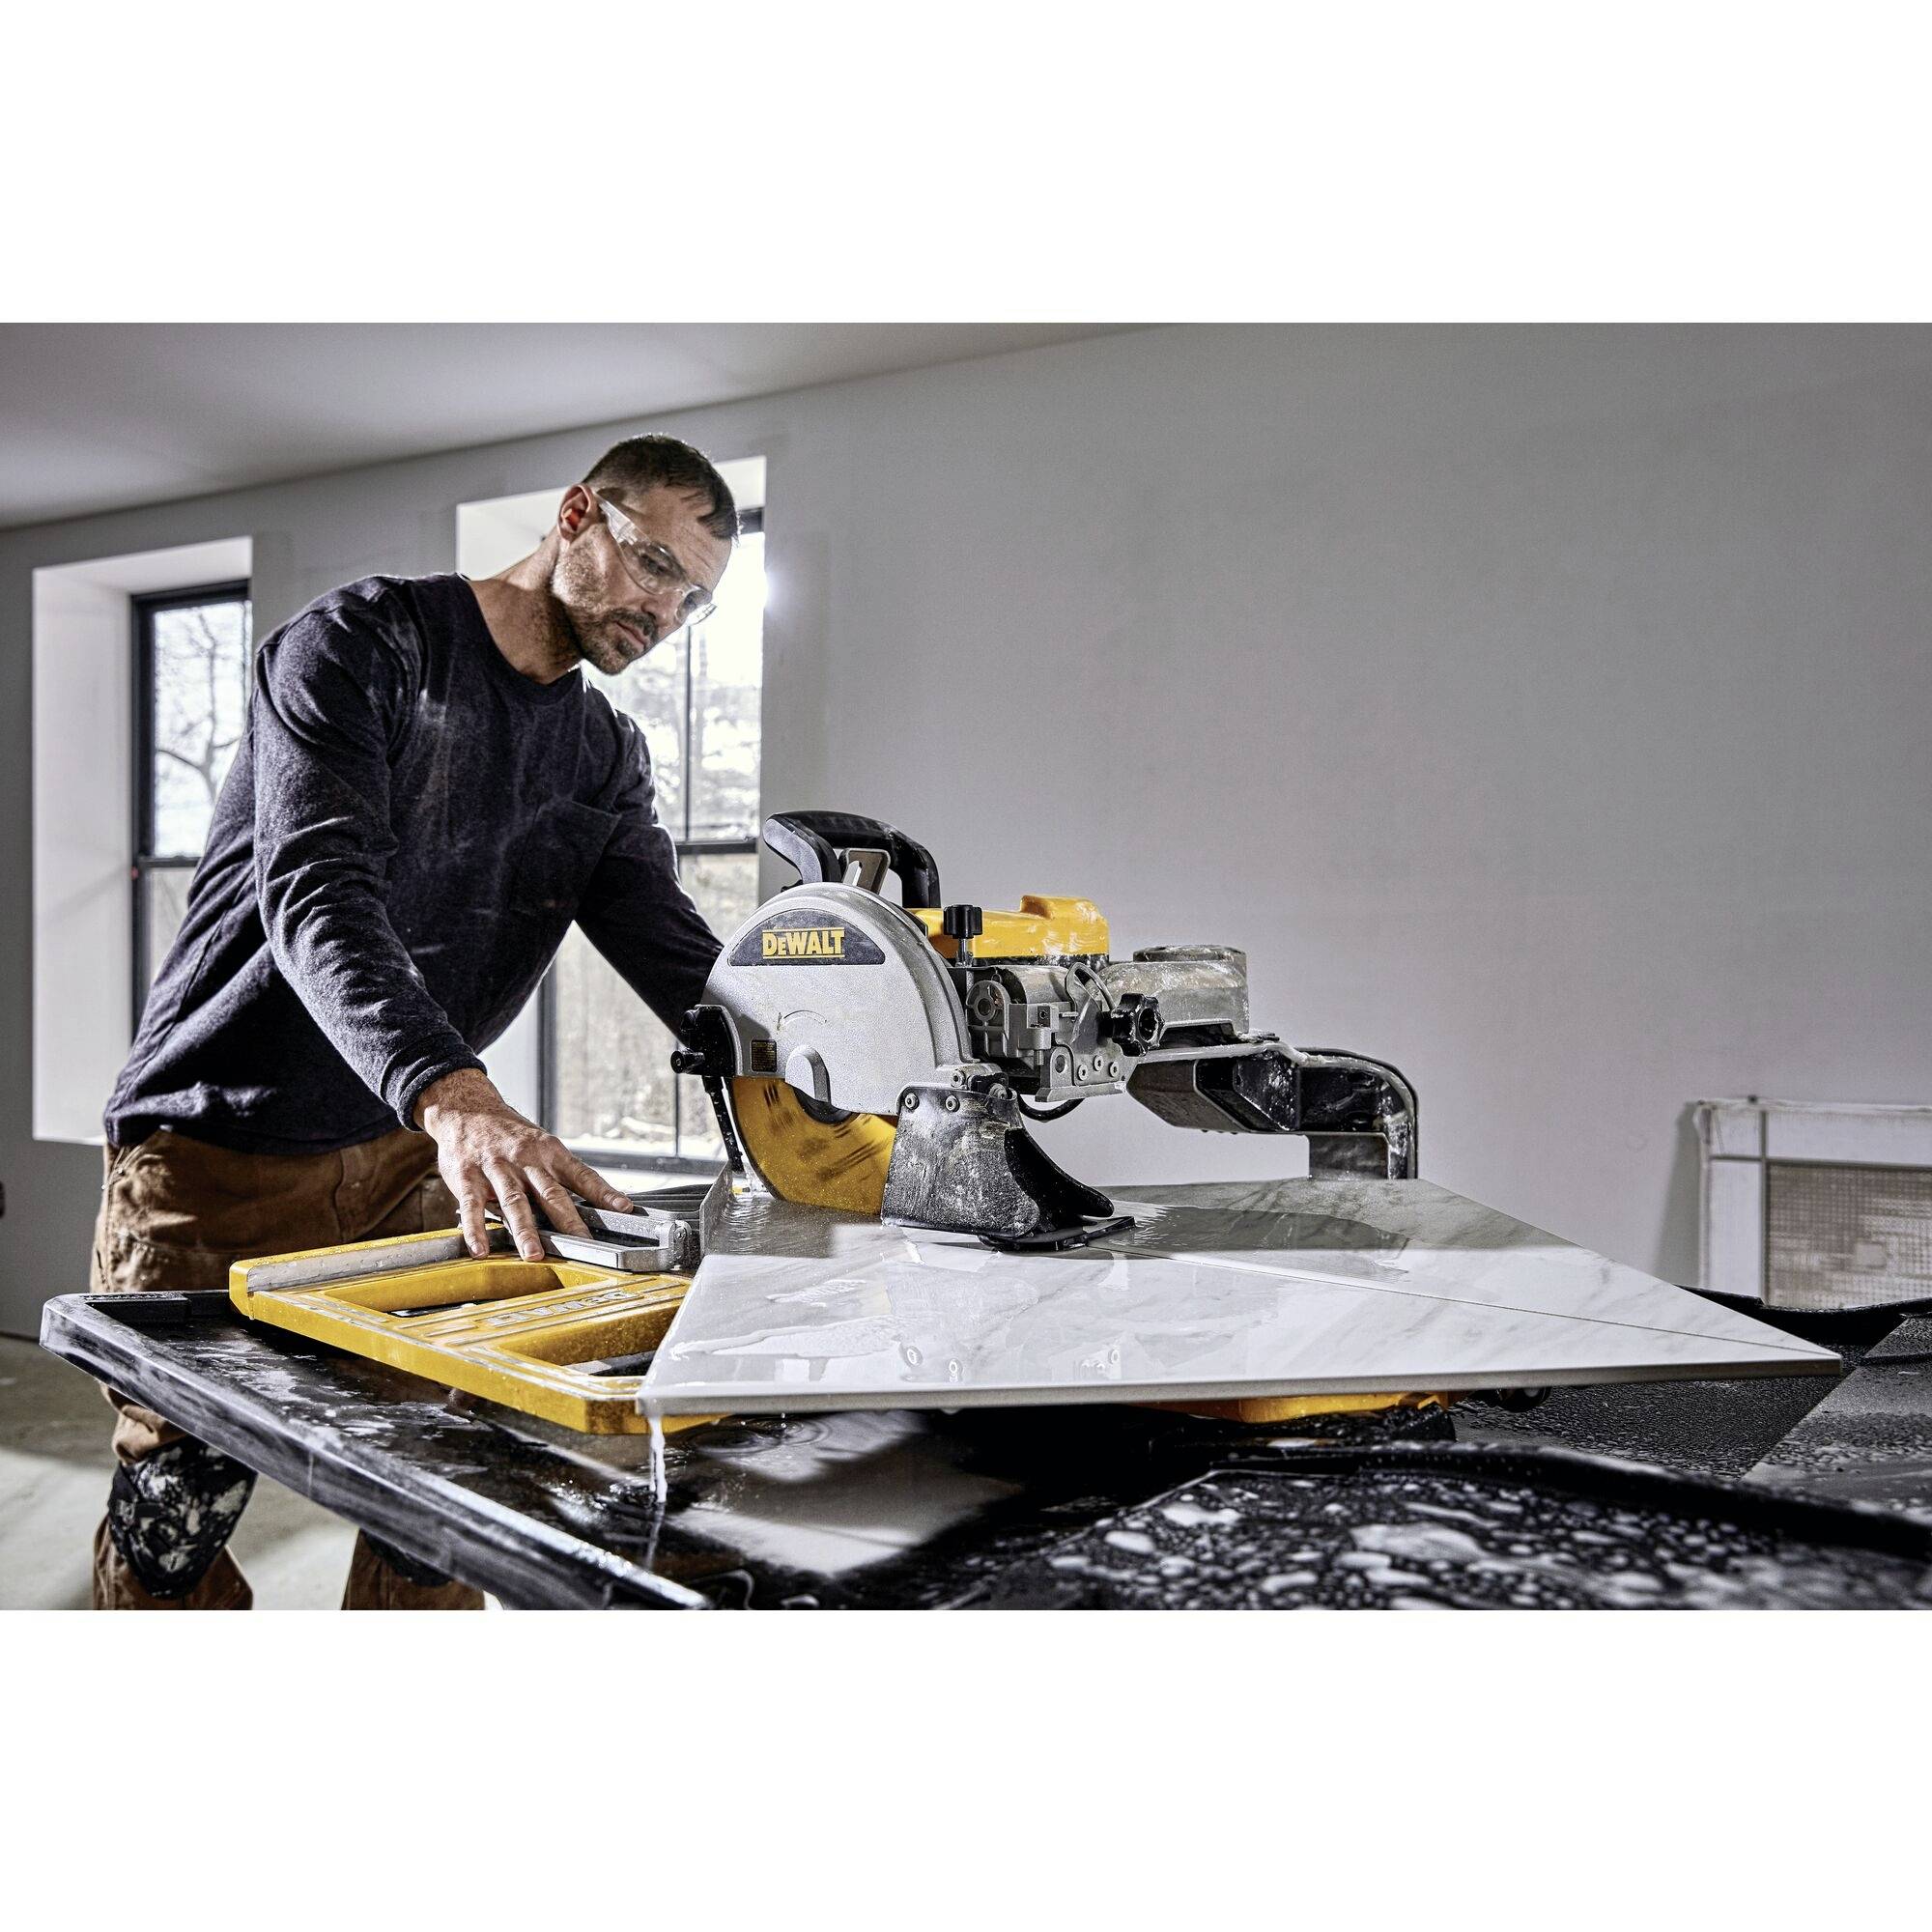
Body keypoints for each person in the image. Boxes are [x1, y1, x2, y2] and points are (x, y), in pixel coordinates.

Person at [89, 434, 737, 1609]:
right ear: (577, 512)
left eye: (692, 599)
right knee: (173, 1523)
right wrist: (460, 1095)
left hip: (407, 1162)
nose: (666, 611)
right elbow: (317, 891)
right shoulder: (366, 645)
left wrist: (805, 1063)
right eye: (652, 566)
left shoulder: (599, 752)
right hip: (214, 1148)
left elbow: (673, 947)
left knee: (445, 1512)